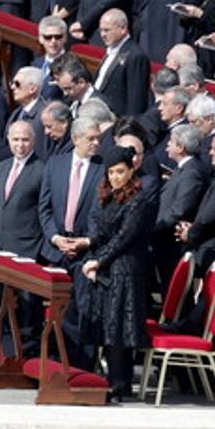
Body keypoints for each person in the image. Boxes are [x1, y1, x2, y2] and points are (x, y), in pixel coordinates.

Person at [81, 144, 151, 400]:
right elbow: (101, 230)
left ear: (131, 170)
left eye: (120, 172)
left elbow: (125, 237)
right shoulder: (108, 196)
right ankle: (108, 378)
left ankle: (121, 383)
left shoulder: (139, 199)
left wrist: (98, 261)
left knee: (119, 326)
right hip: (107, 267)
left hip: (127, 269)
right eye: (111, 173)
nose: (115, 177)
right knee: (107, 325)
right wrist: (90, 250)